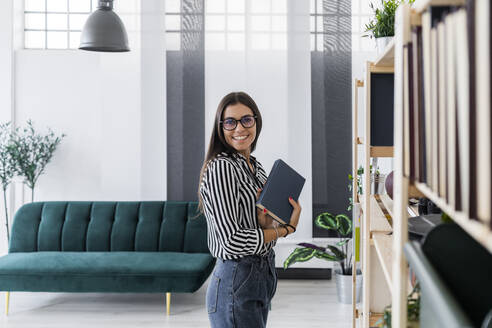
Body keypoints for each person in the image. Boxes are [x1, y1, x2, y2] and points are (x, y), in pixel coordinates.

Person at [197, 91, 302, 328]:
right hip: (236, 277)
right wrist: (285, 230)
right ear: (221, 127)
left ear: (256, 121)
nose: (239, 128)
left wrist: (266, 223)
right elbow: (230, 241)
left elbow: (259, 230)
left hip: (260, 274)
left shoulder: (256, 166)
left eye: (246, 119)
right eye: (230, 122)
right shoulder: (221, 168)